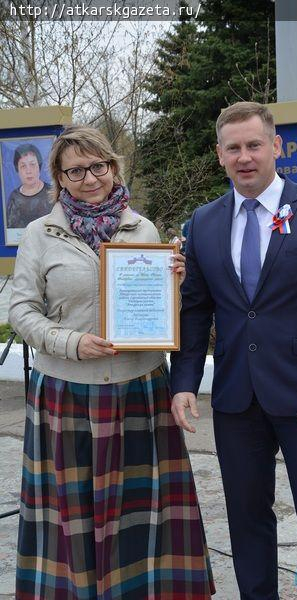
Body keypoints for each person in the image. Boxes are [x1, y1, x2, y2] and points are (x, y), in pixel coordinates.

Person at [9, 126, 215, 599]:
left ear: (113, 167)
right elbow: (21, 310)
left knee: (141, 507)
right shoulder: (41, 234)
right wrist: (69, 342)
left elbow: (163, 319)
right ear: (59, 177)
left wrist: (173, 288)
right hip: (65, 390)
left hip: (138, 387)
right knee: (71, 511)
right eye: (75, 170)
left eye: (98, 166)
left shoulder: (143, 229)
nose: (89, 178)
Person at [170, 102, 297, 599]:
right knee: (247, 520)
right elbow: (195, 311)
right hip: (236, 400)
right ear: (219, 156)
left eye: (254, 145)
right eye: (233, 148)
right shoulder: (204, 222)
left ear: (276, 146)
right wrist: (185, 383)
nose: (244, 157)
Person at [6, 143, 52, 228]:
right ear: (17, 170)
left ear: (39, 167)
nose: (28, 171)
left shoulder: (52, 193)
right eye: (23, 166)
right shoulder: (14, 197)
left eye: (32, 164)